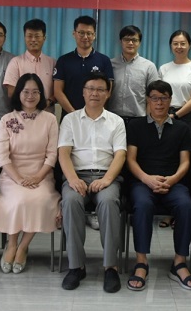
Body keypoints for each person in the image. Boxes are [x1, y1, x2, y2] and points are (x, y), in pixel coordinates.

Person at [126, 80, 191, 291]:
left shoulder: (182, 128)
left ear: (170, 100)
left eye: (164, 98)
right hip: (142, 182)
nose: (159, 102)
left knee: (186, 206)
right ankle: (141, 262)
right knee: (142, 205)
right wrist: (146, 178)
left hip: (173, 182)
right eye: (155, 98)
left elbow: (185, 162)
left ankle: (179, 263)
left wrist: (172, 179)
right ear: (147, 100)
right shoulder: (135, 126)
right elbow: (130, 159)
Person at [58, 72, 126, 293]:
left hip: (107, 176)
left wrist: (106, 180)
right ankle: (76, 266)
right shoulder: (70, 119)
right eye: (90, 89)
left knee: (108, 202)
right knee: (70, 201)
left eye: (100, 89)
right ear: (83, 92)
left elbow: (120, 155)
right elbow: (63, 154)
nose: (95, 93)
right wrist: (72, 179)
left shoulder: (117, 121)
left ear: (107, 94)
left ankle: (110, 267)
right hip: (76, 175)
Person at [0, 73, 60, 274]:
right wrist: (19, 179)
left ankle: (23, 246)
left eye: (35, 92)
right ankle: (11, 244)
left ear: (41, 95)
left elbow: (52, 154)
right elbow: (2, 156)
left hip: (41, 174)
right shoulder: (7, 119)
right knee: (18, 200)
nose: (30, 96)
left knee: (39, 200)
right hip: (12, 175)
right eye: (26, 91)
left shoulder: (50, 119)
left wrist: (38, 177)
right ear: (18, 93)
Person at [54, 15, 114, 115]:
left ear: (94, 35)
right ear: (74, 34)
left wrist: (92, 113)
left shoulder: (104, 60)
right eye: (81, 33)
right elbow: (57, 91)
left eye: (89, 33)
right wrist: (74, 114)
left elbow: (108, 90)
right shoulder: (63, 60)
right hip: (70, 116)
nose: (85, 37)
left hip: (96, 117)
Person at [158, 30, 191, 138]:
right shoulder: (163, 68)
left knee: (185, 147)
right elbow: (158, 94)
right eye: (175, 43)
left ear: (189, 45)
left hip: (186, 116)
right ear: (171, 46)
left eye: (183, 43)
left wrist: (175, 115)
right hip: (164, 114)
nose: (179, 47)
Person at [109, 25, 159, 124]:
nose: (130, 43)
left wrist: (149, 121)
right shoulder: (110, 64)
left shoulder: (149, 66)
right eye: (127, 39)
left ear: (139, 43)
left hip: (139, 120)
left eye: (134, 40)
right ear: (121, 41)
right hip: (113, 119)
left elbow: (153, 96)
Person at [4, 19, 56, 111]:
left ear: (44, 38)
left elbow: (58, 91)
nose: (33, 40)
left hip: (47, 114)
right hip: (22, 115)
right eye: (29, 36)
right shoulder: (15, 62)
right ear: (24, 38)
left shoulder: (53, 63)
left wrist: (48, 102)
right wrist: (30, 105)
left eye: (37, 36)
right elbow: (11, 93)